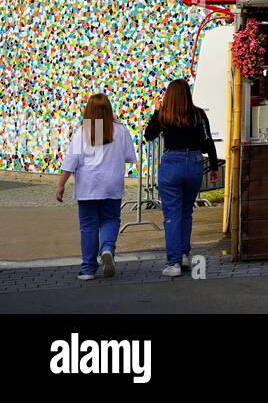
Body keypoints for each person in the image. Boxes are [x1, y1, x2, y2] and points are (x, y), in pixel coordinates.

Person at [55, 94, 138, 280]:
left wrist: (60, 185)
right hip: (112, 184)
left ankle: (88, 269)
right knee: (110, 219)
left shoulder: (81, 132)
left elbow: (70, 162)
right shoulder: (122, 131)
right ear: (109, 109)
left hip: (88, 185)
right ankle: (107, 248)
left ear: (89, 111)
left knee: (88, 226)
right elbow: (130, 157)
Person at [145, 78, 220, 277]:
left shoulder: (165, 115)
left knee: (172, 216)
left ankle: (174, 262)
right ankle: (185, 254)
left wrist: (156, 110)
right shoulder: (198, 115)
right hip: (194, 162)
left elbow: (149, 134)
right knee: (186, 212)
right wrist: (213, 166)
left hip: (171, 163)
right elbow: (208, 142)